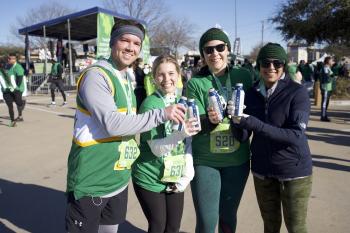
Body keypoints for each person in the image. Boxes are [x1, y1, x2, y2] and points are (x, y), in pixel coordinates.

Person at [65, 19, 186, 233]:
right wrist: (162, 114)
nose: (131, 47)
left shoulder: (124, 78)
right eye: (125, 40)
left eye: (137, 43)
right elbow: (113, 124)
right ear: (112, 42)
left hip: (118, 179)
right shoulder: (96, 75)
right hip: (92, 180)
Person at [229, 43, 312, 233]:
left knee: (296, 228)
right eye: (266, 63)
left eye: (277, 63)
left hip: (294, 172)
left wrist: (254, 123)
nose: (271, 68)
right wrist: (235, 120)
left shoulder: (296, 92)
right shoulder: (250, 94)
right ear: (259, 65)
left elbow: (295, 135)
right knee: (270, 226)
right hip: (262, 171)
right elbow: (242, 137)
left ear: (284, 65)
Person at [186, 27, 253, 233]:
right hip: (206, 160)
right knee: (207, 222)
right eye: (208, 50)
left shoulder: (244, 75)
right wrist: (209, 121)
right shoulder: (196, 83)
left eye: (220, 47)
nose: (215, 53)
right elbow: (194, 122)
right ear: (203, 54)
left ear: (228, 49)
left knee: (228, 218)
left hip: (237, 160)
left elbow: (256, 110)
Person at [132, 55, 200, 233]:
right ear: (154, 78)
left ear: (179, 75)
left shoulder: (181, 102)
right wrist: (181, 133)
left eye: (171, 73)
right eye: (160, 74)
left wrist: (188, 173)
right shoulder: (150, 105)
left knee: (173, 227)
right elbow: (156, 149)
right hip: (149, 176)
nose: (166, 79)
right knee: (158, 226)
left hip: (173, 175)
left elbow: (187, 141)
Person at [0, 54, 25, 127]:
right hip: (6, 91)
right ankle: (12, 121)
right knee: (10, 106)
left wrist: (16, 88)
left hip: (15, 89)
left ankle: (20, 110)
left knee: (19, 103)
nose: (8, 60)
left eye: (9, 59)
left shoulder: (16, 67)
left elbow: (19, 78)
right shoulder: (6, 67)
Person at [320, 56, 335, 122]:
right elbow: (326, 78)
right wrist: (333, 78)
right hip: (326, 87)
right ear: (328, 61)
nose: (332, 62)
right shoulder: (326, 68)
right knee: (324, 102)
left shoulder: (328, 68)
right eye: (331, 60)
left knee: (326, 102)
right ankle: (323, 116)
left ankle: (324, 115)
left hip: (328, 87)